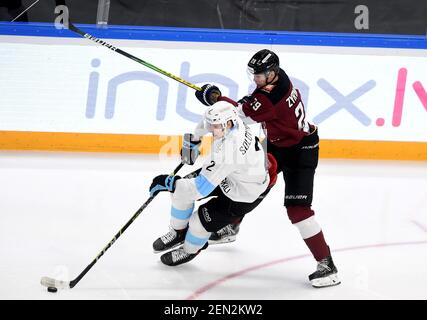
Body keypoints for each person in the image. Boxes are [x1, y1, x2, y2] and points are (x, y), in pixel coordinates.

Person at [194, 49, 340, 288]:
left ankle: (327, 264)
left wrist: (215, 98)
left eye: (259, 75)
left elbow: (239, 114)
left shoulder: (269, 98)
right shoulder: (280, 78)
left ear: (271, 73)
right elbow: (251, 104)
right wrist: (219, 97)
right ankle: (233, 225)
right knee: (252, 182)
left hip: (302, 151)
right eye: (254, 74)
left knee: (298, 210)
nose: (255, 79)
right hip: (277, 144)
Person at [149, 101, 276, 266]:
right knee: (180, 192)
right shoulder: (231, 120)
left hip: (242, 194)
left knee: (198, 222)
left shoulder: (230, 150)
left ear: (228, 123)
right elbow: (206, 122)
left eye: (215, 126)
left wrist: (169, 182)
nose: (211, 129)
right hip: (231, 175)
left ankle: (189, 250)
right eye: (212, 125)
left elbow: (199, 189)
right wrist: (194, 140)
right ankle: (178, 232)